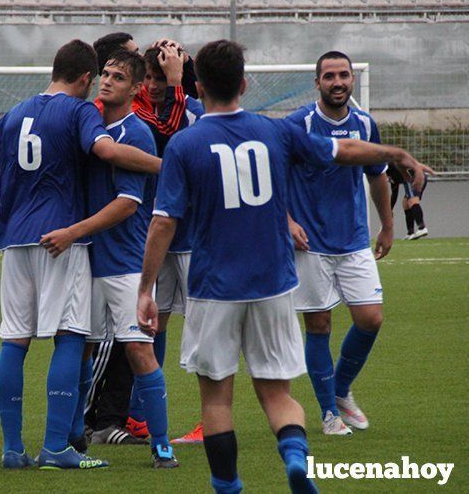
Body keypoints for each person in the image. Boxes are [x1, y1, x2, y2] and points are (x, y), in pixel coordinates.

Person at [135, 40, 432, 494]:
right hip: (274, 283)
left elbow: (162, 223)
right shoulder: (275, 131)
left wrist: (145, 290)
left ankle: (228, 487)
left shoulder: (184, 144)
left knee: (217, 396)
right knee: (277, 394)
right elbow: (344, 151)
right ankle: (295, 457)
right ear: (245, 84)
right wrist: (397, 154)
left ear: (199, 86)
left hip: (214, 287)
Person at [0, 39, 160, 471]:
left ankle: (13, 448)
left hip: (14, 241)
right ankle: (56, 448)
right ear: (87, 79)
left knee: (14, 340)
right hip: (61, 239)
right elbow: (106, 151)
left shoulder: (14, 114)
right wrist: (166, 165)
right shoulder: (81, 112)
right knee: (70, 335)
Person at [40, 50, 178, 467]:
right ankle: (73, 434)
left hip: (125, 265)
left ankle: (162, 444)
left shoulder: (134, 133)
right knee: (78, 346)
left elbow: (126, 205)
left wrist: (72, 232)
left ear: (136, 88)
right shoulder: (90, 124)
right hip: (85, 262)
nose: (108, 81)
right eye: (105, 74)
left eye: (119, 77)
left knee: (138, 351)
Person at [286, 51, 393, 436]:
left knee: (371, 318)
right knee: (319, 324)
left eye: (343, 75)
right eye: (329, 76)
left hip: (353, 241)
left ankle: (341, 388)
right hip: (310, 244)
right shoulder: (299, 124)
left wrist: (387, 225)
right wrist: (287, 221)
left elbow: (378, 176)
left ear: (352, 79)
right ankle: (329, 413)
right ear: (317, 82)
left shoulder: (365, 123)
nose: (337, 82)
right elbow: (274, 174)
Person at [127, 45, 205, 444]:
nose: (154, 85)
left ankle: (211, 420)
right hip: (154, 236)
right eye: (150, 77)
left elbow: (188, 140)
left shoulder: (194, 110)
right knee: (153, 321)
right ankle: (140, 415)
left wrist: (178, 81)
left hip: (194, 237)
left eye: (162, 77)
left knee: (207, 325)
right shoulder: (136, 112)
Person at [388, 162, 429, 239]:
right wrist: (390, 209)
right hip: (413, 177)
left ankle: (422, 228)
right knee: (405, 203)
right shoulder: (391, 173)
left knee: (412, 200)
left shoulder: (391, 167)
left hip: (415, 177)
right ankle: (410, 232)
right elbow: (394, 192)